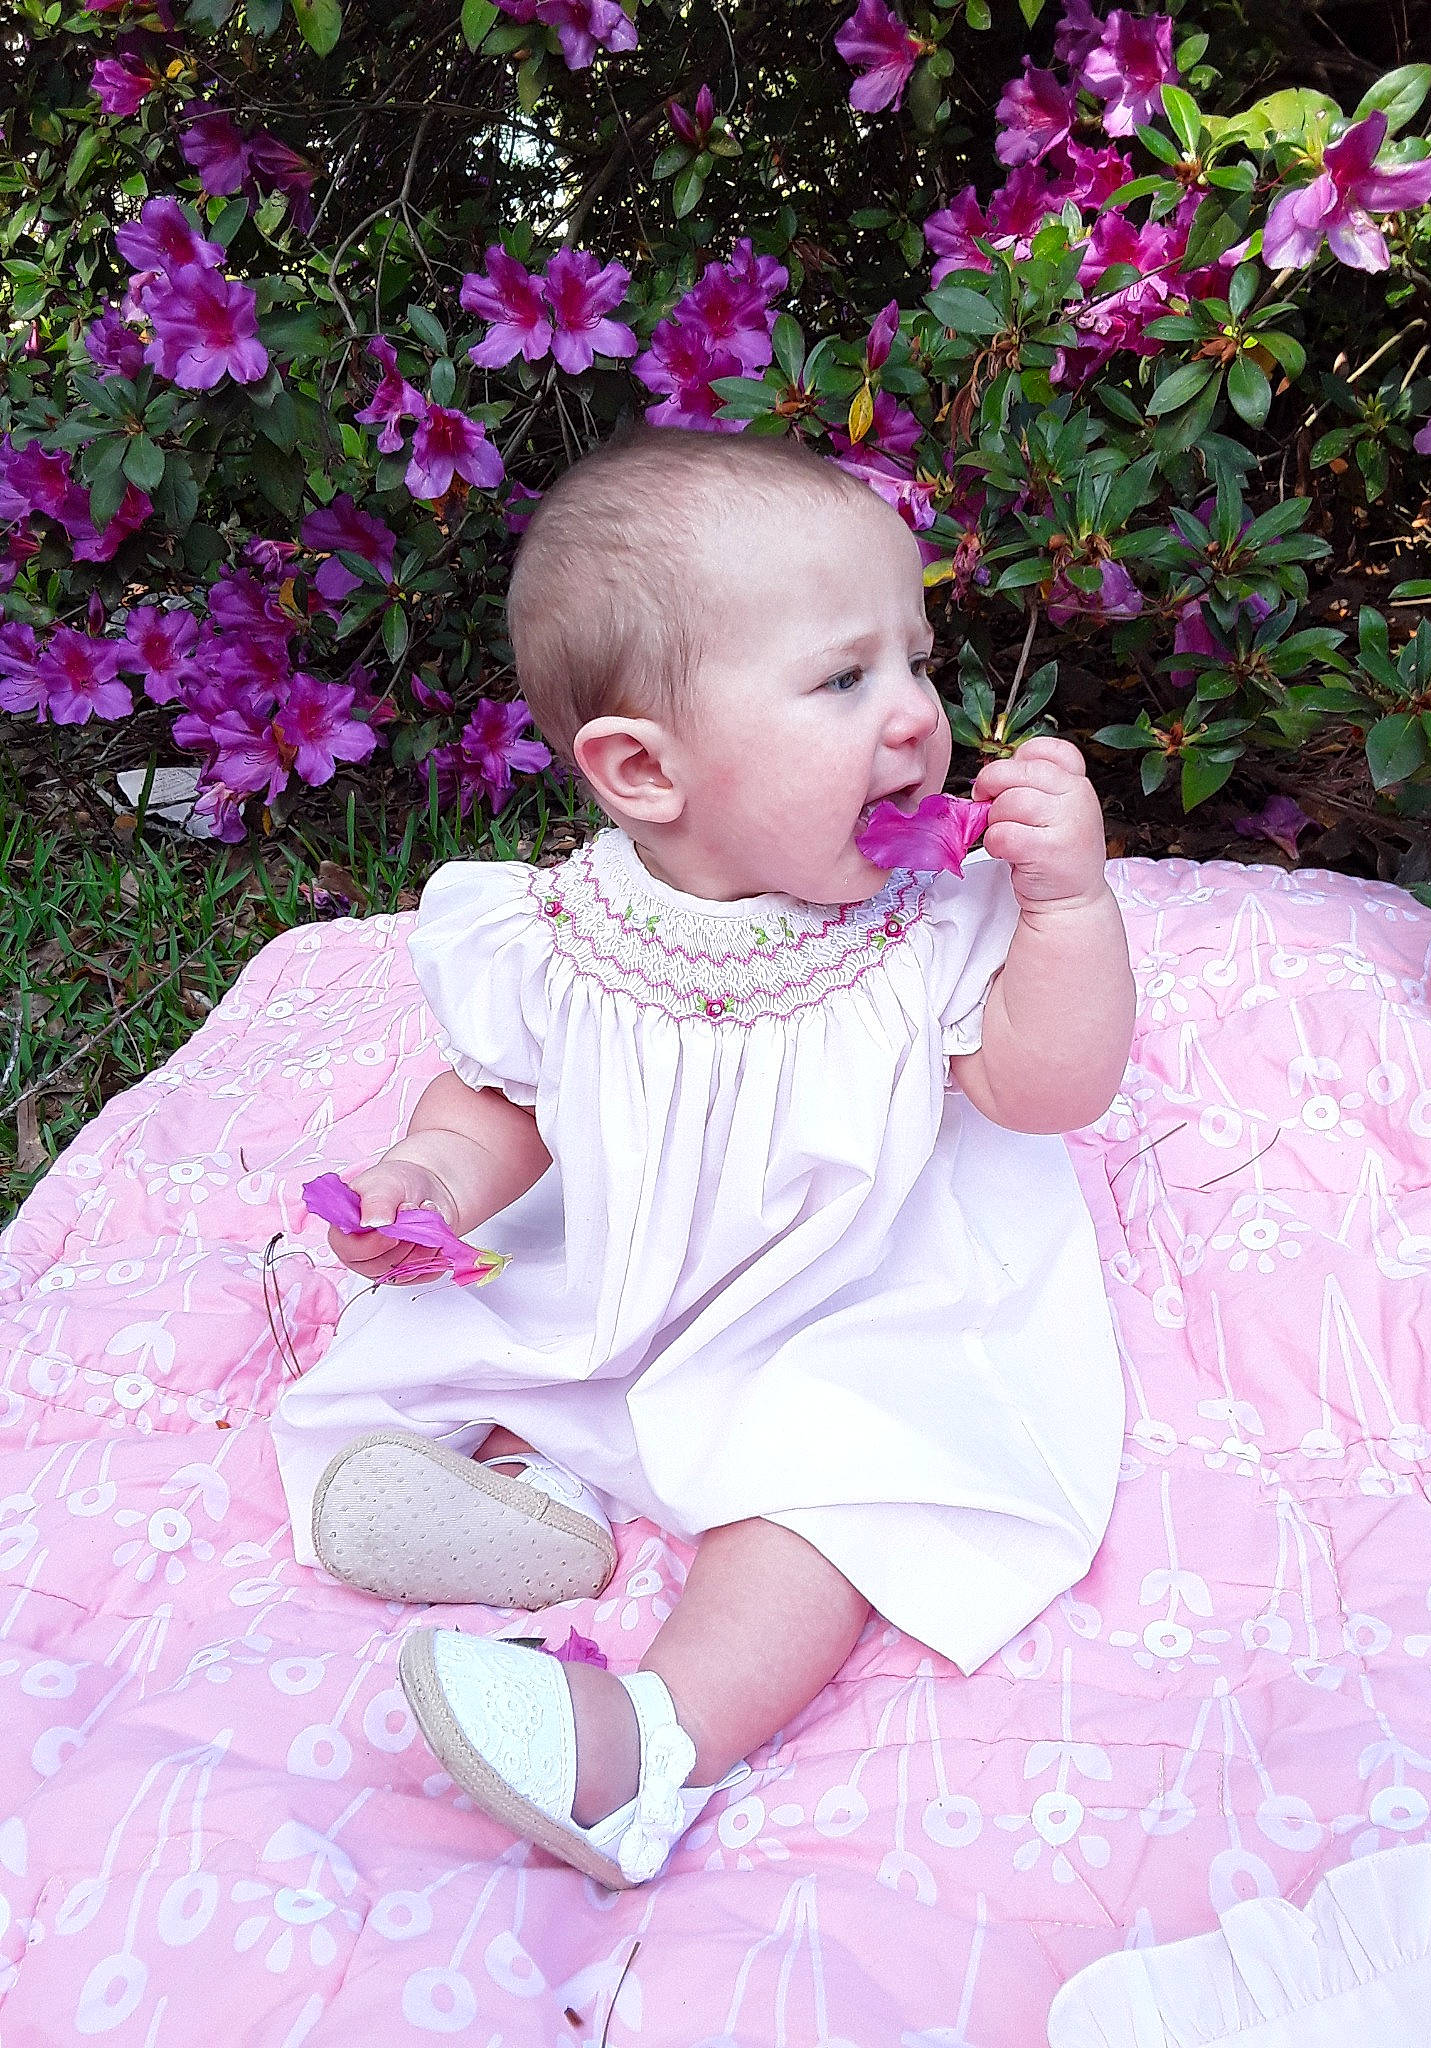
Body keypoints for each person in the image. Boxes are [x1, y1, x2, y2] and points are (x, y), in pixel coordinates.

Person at [270, 421, 1135, 1889]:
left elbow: (1046, 1092)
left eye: (917, 661)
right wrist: (430, 1176)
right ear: (643, 772)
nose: (921, 717)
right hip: (638, 1270)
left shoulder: (925, 924)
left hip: (847, 1303)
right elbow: (510, 1099)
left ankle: (647, 1739)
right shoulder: (561, 927)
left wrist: (1068, 916)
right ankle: (539, 1508)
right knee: (501, 1331)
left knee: (832, 1492)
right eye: (846, 678)